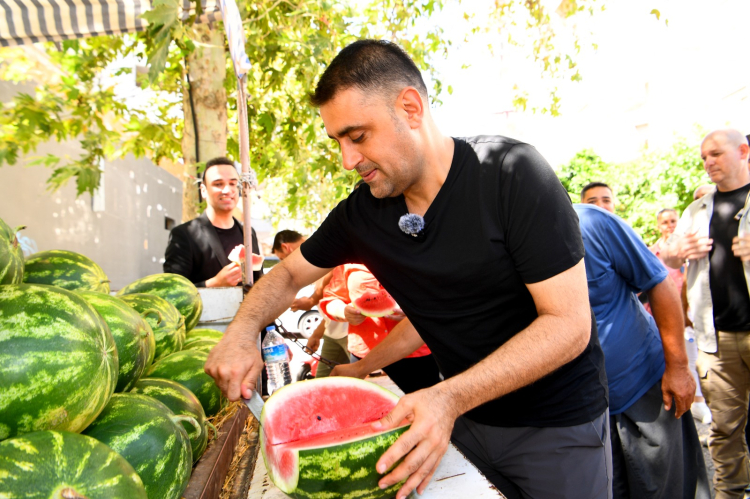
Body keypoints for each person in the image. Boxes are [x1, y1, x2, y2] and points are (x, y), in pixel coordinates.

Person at [205, 39, 610, 499]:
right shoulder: (363, 213)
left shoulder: (510, 173)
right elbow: (289, 275)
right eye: (338, 142)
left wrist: (449, 397)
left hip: (555, 429)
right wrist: (242, 330)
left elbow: (569, 323)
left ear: (410, 108)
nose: (347, 161)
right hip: (461, 422)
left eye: (358, 137)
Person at [574, 202, 709, 499]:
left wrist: (678, 368)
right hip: (587, 407)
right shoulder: (515, 247)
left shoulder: (592, 223)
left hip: (645, 388)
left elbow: (659, 282)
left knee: (667, 488)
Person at [661, 129, 750, 499]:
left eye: (716, 153)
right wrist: (677, 249)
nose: (708, 162)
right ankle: (731, 493)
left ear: (744, 151)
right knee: (724, 430)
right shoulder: (696, 210)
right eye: (703, 157)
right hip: (716, 341)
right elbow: (665, 260)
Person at [318, 263, 440, 393]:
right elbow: (330, 299)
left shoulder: (413, 254)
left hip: (412, 350)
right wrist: (343, 311)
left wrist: (415, 311)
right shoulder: (348, 262)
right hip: (363, 350)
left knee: (426, 402)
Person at [164, 157, 260, 287]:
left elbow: (259, 282)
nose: (227, 190)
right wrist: (215, 283)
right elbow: (172, 290)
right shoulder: (184, 234)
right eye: (218, 184)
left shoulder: (249, 233)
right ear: (204, 190)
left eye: (232, 183)